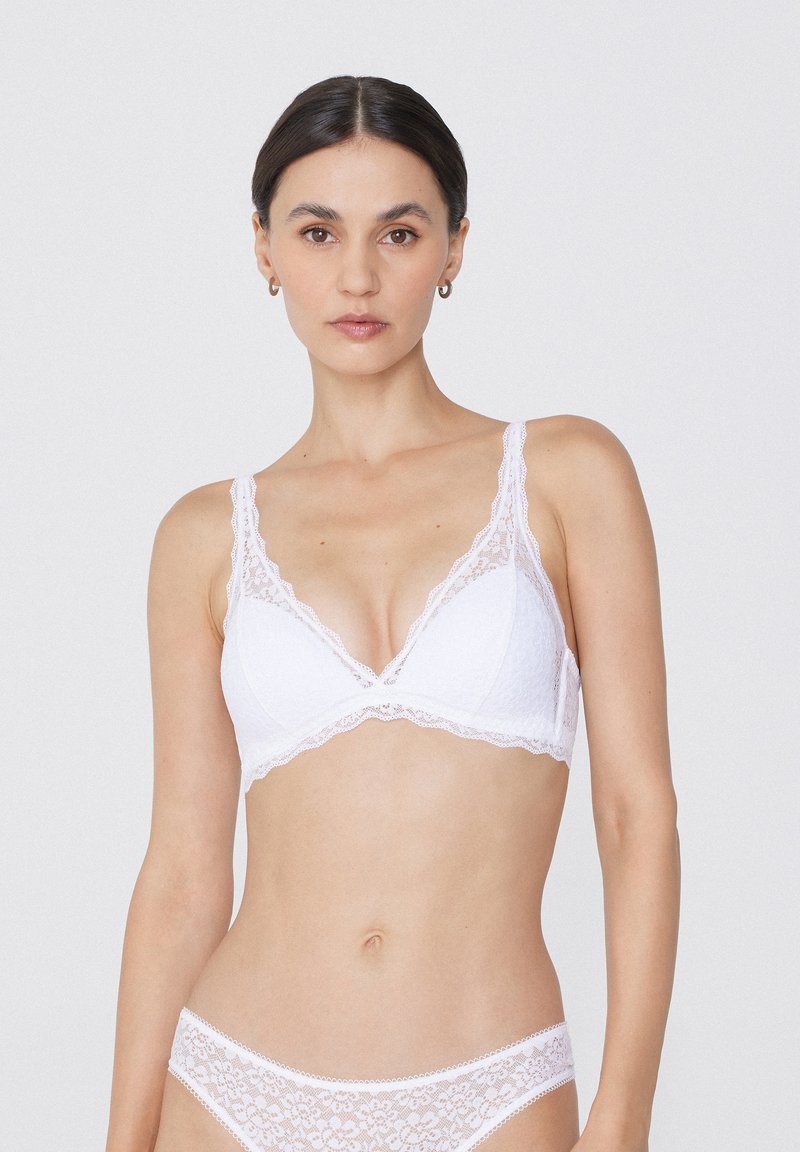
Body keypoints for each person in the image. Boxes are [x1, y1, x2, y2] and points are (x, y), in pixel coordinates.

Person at [105, 75, 680, 1152]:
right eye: (317, 232)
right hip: (232, 1087)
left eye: (400, 233)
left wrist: (623, 1115)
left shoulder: (564, 475)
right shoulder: (204, 536)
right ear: (264, 249)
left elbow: (635, 814)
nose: (358, 276)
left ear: (453, 249)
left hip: (490, 1087)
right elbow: (181, 872)